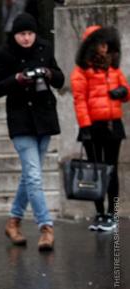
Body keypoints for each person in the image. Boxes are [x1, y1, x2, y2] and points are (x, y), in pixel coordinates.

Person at [0, 13, 64, 251]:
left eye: (30, 33)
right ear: (15, 34)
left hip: (44, 119)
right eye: (22, 34)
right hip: (21, 122)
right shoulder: (3, 54)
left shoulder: (44, 47)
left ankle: (13, 222)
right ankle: (46, 227)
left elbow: (61, 79)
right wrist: (18, 79)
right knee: (33, 176)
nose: (27, 38)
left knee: (30, 176)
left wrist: (49, 74)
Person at [70, 25, 129, 232]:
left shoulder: (113, 68)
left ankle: (112, 214)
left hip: (113, 126)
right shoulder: (81, 71)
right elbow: (80, 100)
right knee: (96, 171)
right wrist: (85, 126)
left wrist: (122, 91)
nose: (104, 48)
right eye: (100, 44)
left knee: (111, 171)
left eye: (106, 44)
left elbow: (127, 92)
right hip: (92, 127)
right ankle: (100, 213)